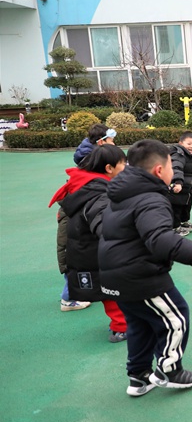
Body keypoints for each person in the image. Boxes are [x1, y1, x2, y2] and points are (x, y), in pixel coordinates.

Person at [98, 139, 192, 397]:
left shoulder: (123, 191)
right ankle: (170, 370)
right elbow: (159, 239)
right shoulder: (150, 199)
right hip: (139, 275)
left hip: (115, 275)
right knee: (176, 316)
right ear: (159, 170)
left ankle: (138, 376)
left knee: (140, 324)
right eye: (171, 166)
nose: (173, 171)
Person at [49, 145, 128, 341]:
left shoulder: (86, 184)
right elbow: (103, 221)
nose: (126, 167)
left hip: (88, 249)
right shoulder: (98, 192)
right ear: (109, 168)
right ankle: (122, 327)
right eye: (123, 164)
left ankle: (121, 325)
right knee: (114, 290)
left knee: (110, 290)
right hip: (95, 250)